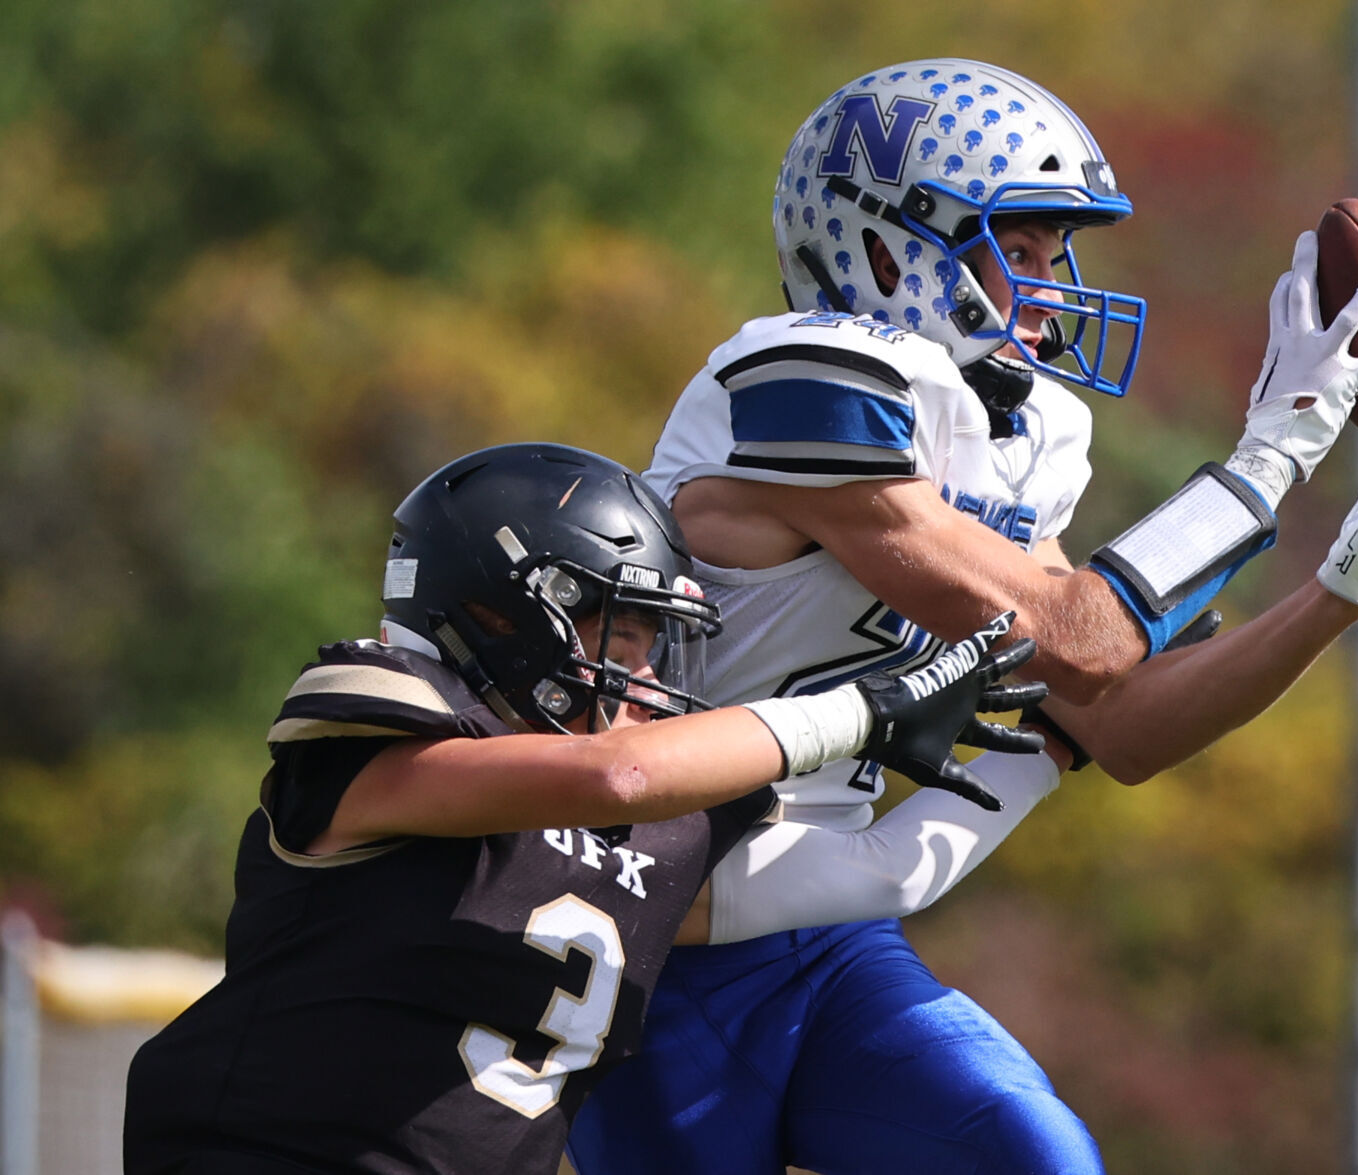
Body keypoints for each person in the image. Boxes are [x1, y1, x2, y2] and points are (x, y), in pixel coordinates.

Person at [566, 59, 1358, 1174]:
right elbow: (1078, 629)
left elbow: (1113, 719)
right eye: (1021, 249)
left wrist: (1338, 589)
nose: (1049, 285)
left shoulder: (1018, 431)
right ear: (890, 248)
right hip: (650, 919)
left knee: (1032, 1151)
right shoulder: (800, 374)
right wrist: (1269, 457)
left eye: (1057, 253)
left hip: (822, 930)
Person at [121, 441, 1049, 1175]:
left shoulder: (672, 827)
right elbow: (616, 776)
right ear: (509, 613)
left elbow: (880, 869)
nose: (648, 679)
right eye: (630, 634)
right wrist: (858, 711)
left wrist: (1057, 747)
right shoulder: (389, 718)